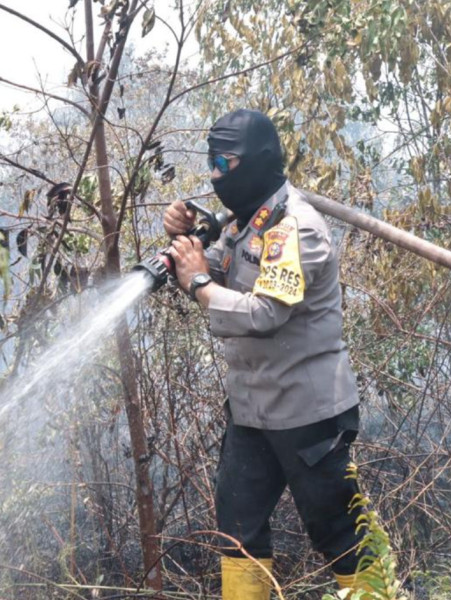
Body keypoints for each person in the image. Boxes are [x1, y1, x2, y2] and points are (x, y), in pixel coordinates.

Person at [164, 109, 373, 599]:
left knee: (340, 534)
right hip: (254, 410)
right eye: (210, 162)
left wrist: (196, 281)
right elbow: (213, 273)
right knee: (237, 531)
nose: (215, 175)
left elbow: (263, 315)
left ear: (256, 162)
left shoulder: (296, 228)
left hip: (308, 414)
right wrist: (183, 245)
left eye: (224, 162)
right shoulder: (247, 221)